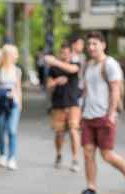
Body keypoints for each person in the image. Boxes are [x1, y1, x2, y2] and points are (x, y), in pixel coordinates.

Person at [75, 31, 125, 194]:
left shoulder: (110, 64)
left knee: (107, 155)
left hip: (104, 116)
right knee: (88, 153)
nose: (91, 47)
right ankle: (91, 188)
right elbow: (86, 90)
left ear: (103, 45)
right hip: (88, 116)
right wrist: (81, 111)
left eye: (95, 44)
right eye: (89, 44)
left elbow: (116, 89)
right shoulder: (88, 66)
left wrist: (111, 114)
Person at [44, 42, 82, 172]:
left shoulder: (75, 64)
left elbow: (73, 70)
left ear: (71, 53)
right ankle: (59, 154)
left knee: (73, 130)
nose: (64, 55)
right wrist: (56, 81)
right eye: (62, 53)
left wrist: (54, 61)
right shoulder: (53, 69)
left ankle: (75, 159)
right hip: (58, 104)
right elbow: (48, 85)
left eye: (67, 53)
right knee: (59, 132)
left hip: (73, 103)